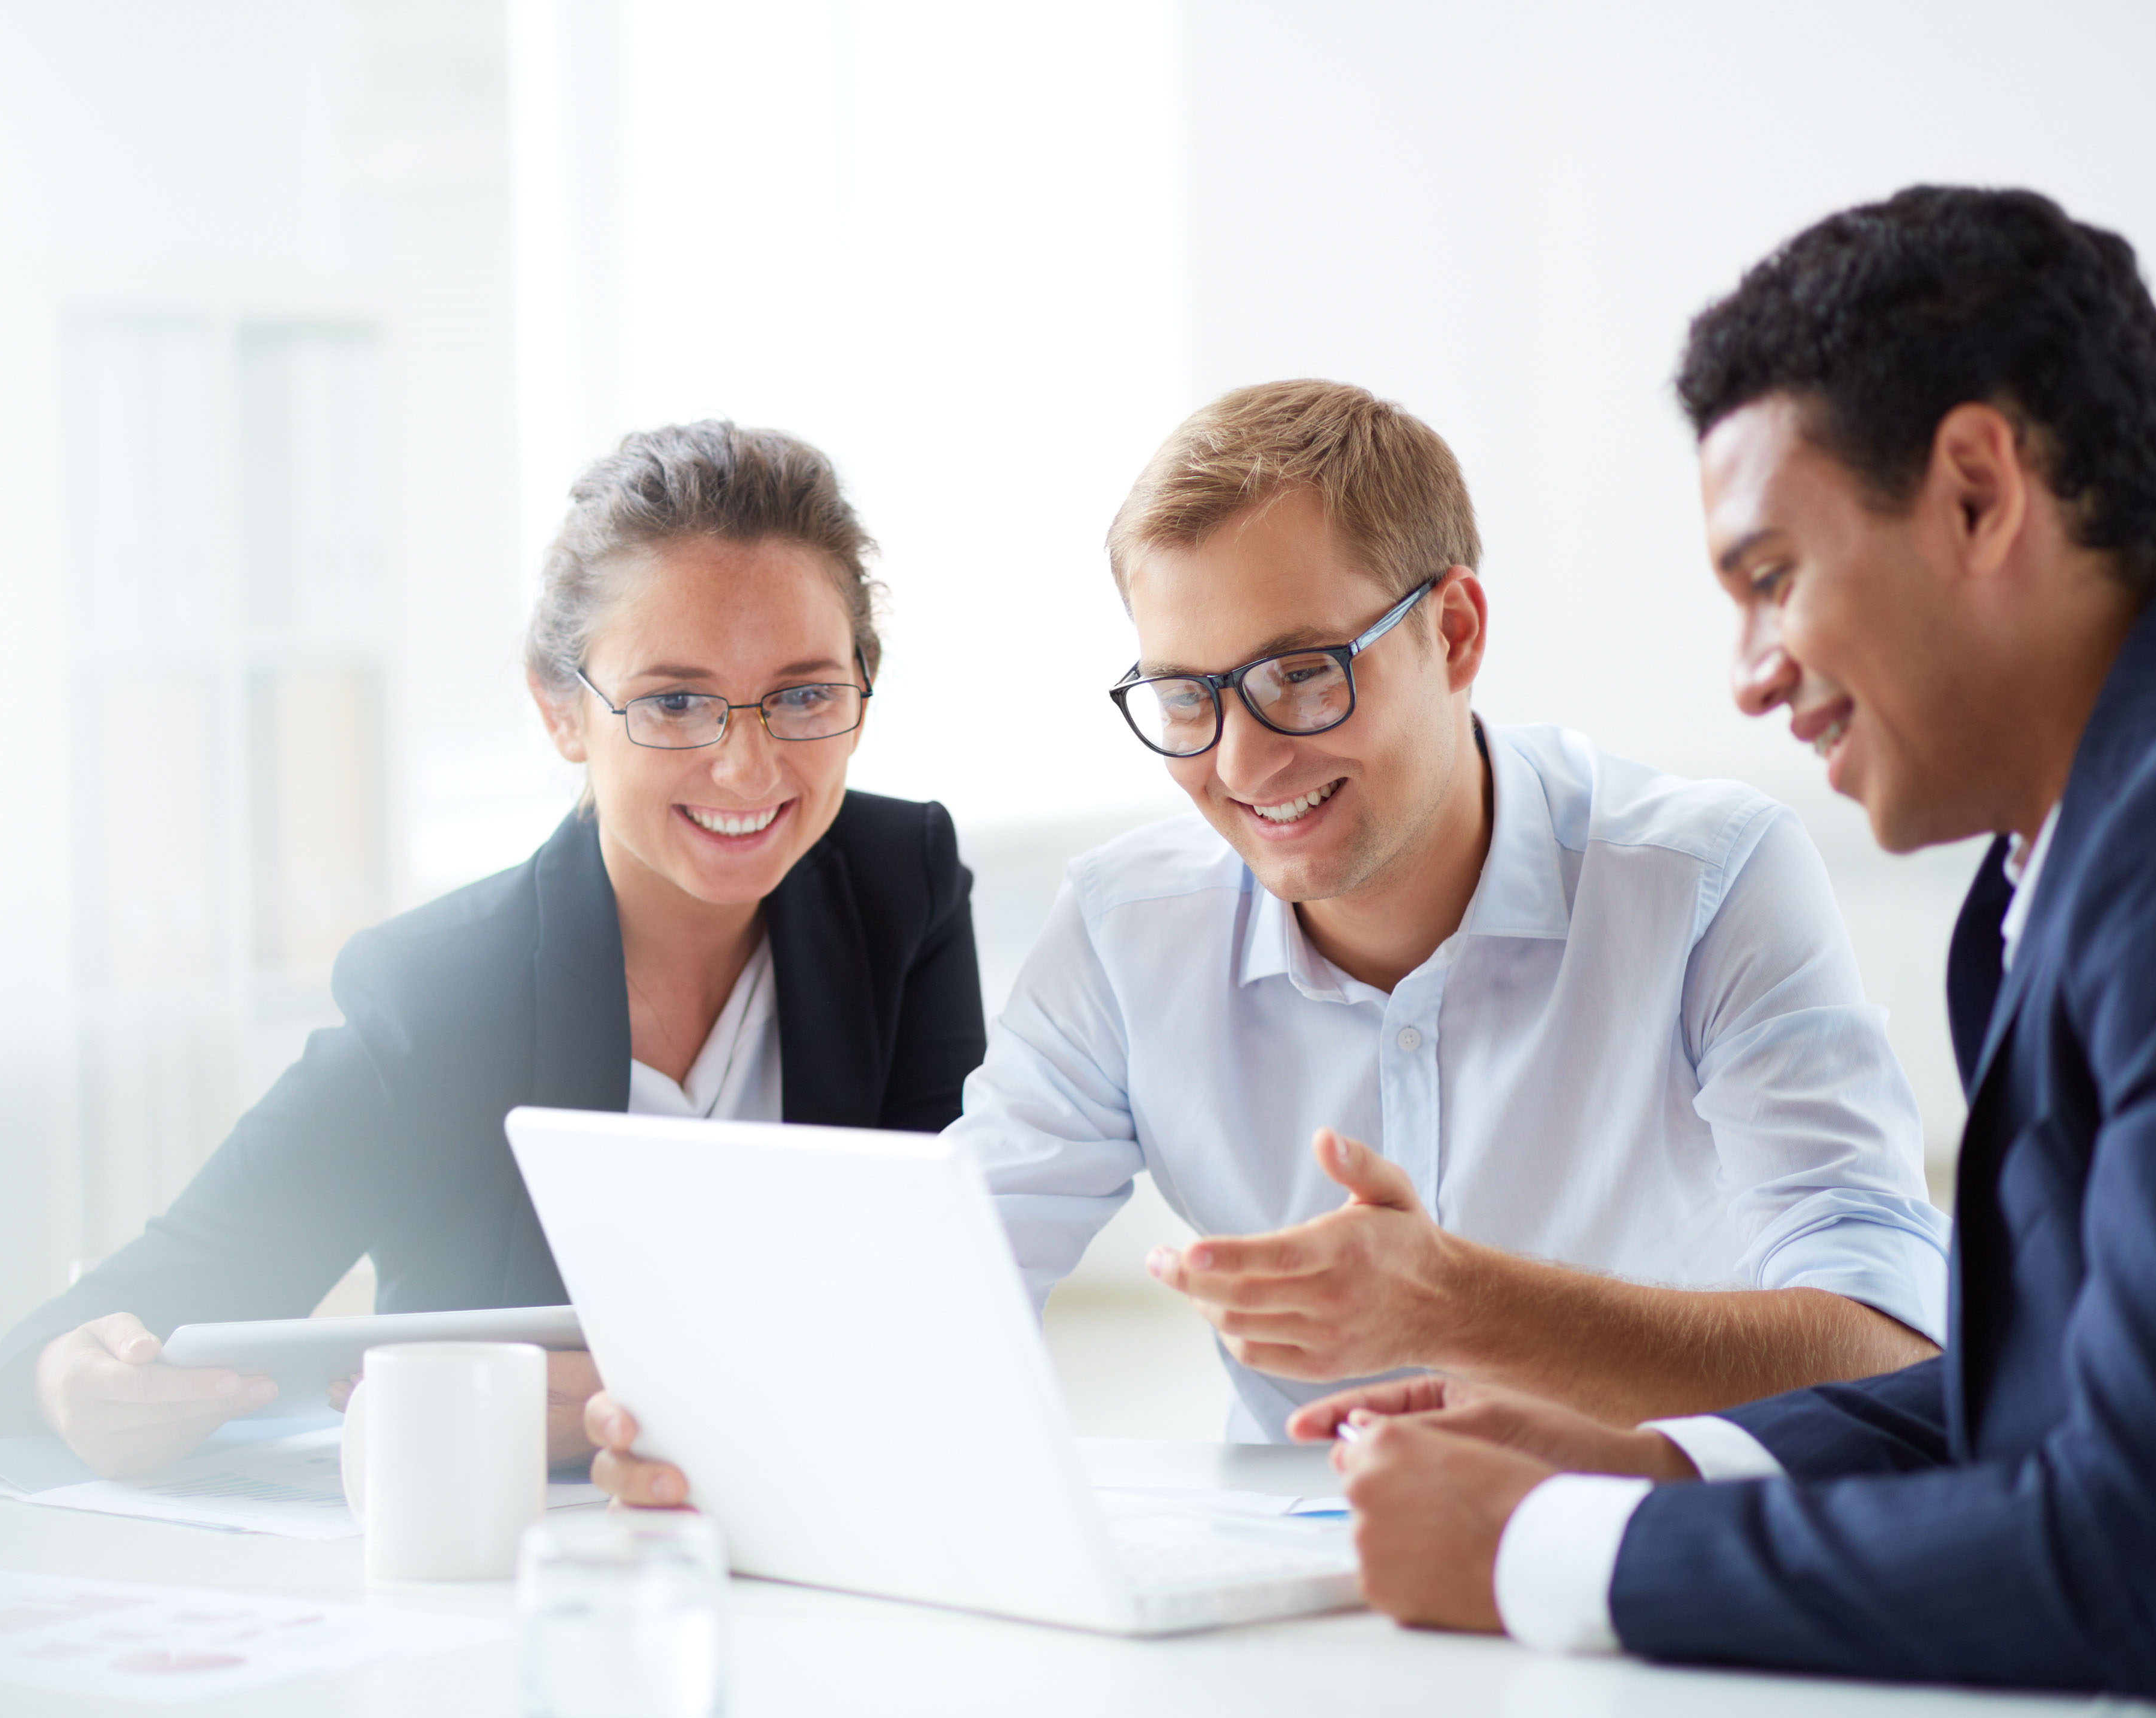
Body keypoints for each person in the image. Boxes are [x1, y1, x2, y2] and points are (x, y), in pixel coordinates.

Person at [1322, 188, 2156, 1718]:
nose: (1749, 669)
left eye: (1771, 575)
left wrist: (1553, 1549)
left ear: (1976, 491)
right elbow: (2045, 1407)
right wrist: (1655, 1456)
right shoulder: (2066, 857)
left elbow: (2153, 1558)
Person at [584, 379, 1950, 1497]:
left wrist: (1460, 1305)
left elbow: (1889, 1348)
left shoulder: (1707, 884)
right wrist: (702, 1423)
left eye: (1301, 672)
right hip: (1306, 1593)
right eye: (1186, 694)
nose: (1242, 758)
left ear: (1456, 632)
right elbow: (946, 1274)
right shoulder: (1130, 929)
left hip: (1659, 1569)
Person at [0, 422, 986, 1479]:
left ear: (861, 691)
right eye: (674, 701)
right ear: (562, 710)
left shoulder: (899, 885)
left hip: (817, 1542)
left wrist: (654, 1395)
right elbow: (134, 1310)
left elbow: (941, 1301)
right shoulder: (443, 996)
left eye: (802, 694)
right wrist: (68, 1378)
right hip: (504, 1574)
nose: (747, 766)